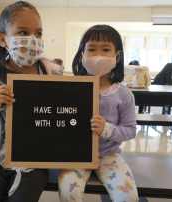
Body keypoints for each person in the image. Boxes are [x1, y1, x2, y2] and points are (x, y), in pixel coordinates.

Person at [0, 1, 63, 201]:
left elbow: (64, 111)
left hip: (34, 161)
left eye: (38, 33)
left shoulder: (52, 73)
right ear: (3, 39)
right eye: (23, 33)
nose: (32, 39)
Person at [58, 24, 139, 202]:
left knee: (128, 196)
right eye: (92, 50)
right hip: (75, 154)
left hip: (109, 155)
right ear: (82, 56)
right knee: (68, 192)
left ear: (117, 56)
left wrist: (107, 129)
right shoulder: (71, 89)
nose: (98, 56)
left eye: (106, 50)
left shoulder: (123, 94)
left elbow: (130, 130)